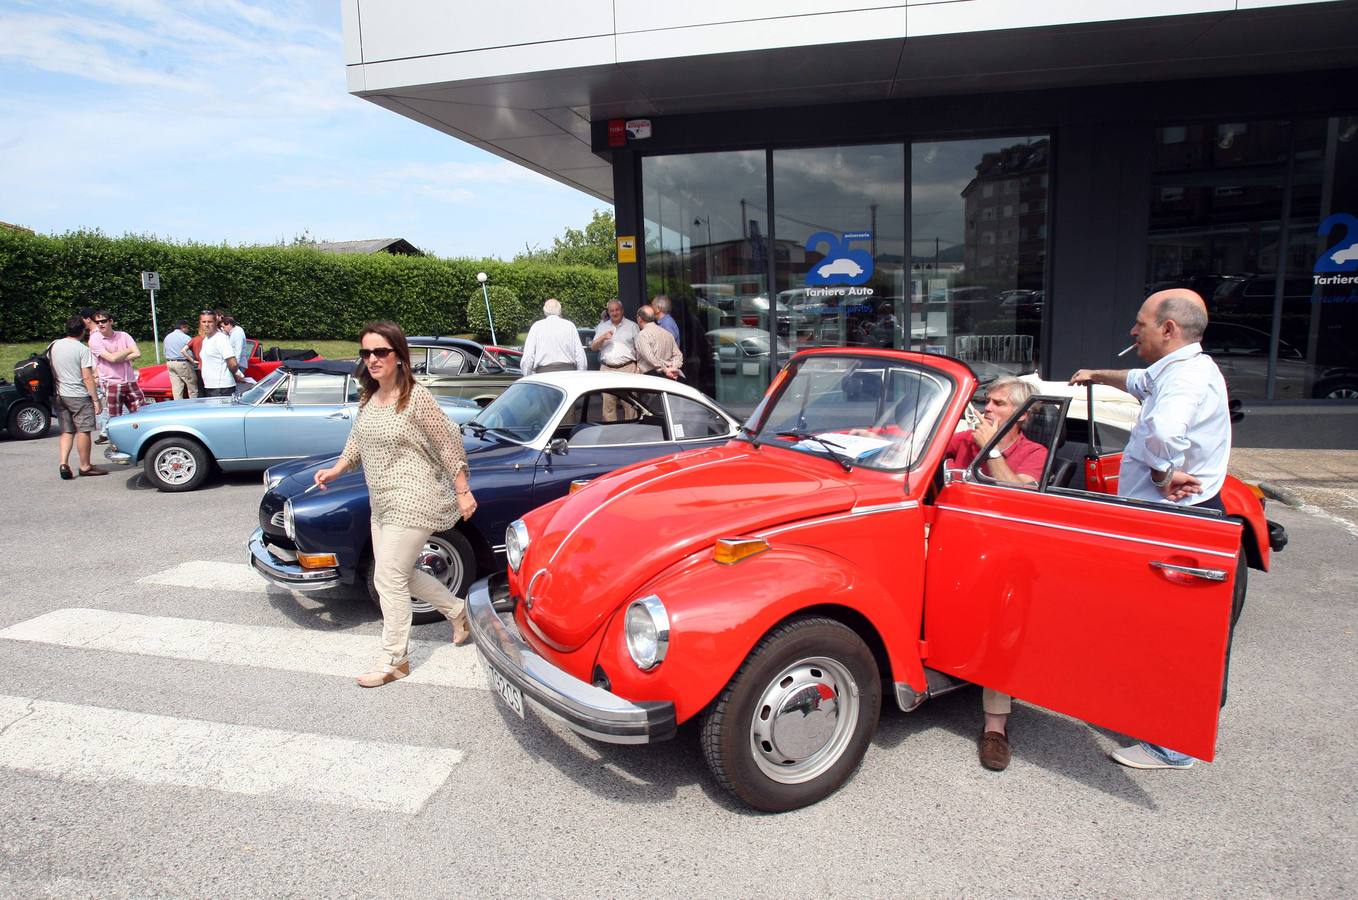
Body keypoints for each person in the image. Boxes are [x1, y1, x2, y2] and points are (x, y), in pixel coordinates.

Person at [1071, 288, 1230, 771]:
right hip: (1169, 515)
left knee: (1175, 632)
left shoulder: (1184, 381)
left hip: (1177, 518)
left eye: (1140, 323)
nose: (1132, 330)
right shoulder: (1180, 369)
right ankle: (1164, 719)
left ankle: (1173, 743)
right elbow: (1138, 381)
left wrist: (1164, 472)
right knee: (1166, 628)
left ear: (1168, 329)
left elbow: (1163, 429)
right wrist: (1098, 374)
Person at [312, 321, 477, 688]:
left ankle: (394, 659)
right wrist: (336, 470)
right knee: (397, 573)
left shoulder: (416, 397)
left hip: (415, 497)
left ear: (400, 357)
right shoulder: (369, 398)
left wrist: (462, 488)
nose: (373, 359)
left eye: (381, 352)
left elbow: (448, 440)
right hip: (382, 500)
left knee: (387, 577)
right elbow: (356, 443)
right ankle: (459, 612)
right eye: (366, 353)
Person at [942, 376, 1047, 772]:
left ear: (1023, 414)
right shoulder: (965, 439)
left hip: (1003, 553)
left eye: (999, 404)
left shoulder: (1034, 452)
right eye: (988, 401)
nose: (988, 408)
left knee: (1005, 618)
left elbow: (1017, 495)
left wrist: (990, 448)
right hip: (953, 540)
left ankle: (995, 727)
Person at [50, 316, 108, 479]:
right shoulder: (82, 350)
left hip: (59, 394)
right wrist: (96, 400)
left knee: (67, 431)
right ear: (82, 331)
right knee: (84, 430)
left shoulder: (54, 345)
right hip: (78, 395)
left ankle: (63, 463)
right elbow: (87, 377)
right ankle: (85, 465)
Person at [88, 310, 145, 431]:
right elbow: (111, 358)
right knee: (116, 421)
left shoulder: (123, 335)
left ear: (111, 321)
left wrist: (117, 357)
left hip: (130, 381)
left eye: (103, 321)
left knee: (142, 415)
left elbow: (137, 353)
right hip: (111, 383)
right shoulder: (95, 339)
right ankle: (117, 444)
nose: (100, 324)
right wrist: (128, 350)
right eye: (97, 322)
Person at [591, 299, 641, 418]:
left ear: (622, 310)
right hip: (607, 369)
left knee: (631, 405)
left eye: (617, 310)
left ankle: (631, 432)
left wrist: (639, 368)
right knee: (608, 406)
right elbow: (593, 347)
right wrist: (602, 337)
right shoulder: (602, 327)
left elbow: (640, 349)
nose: (614, 313)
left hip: (628, 368)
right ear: (608, 312)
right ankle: (610, 434)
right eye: (611, 311)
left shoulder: (632, 326)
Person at [519, 298, 586, 375]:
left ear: (544, 311)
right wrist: (580, 374)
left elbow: (528, 357)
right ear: (560, 311)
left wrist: (528, 376)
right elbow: (580, 356)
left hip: (543, 375)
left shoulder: (537, 326)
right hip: (568, 374)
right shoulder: (570, 326)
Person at [197, 310, 246, 397]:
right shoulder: (206, 340)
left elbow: (233, 363)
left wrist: (236, 374)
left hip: (221, 388)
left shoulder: (220, 338)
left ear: (216, 322)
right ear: (200, 323)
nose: (206, 324)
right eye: (204, 322)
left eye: (210, 321)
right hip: (210, 386)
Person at [636, 305, 683, 380]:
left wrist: (666, 369)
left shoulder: (642, 335)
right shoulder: (667, 333)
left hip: (650, 378)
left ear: (639, 319)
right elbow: (678, 355)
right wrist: (674, 367)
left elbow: (650, 358)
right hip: (668, 377)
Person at [163, 319, 198, 400]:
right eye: (187, 328)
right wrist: (194, 360)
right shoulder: (185, 338)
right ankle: (194, 405)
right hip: (182, 363)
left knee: (176, 388)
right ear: (183, 327)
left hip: (170, 363)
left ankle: (178, 406)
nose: (187, 330)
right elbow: (191, 352)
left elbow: (165, 352)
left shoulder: (167, 337)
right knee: (192, 387)